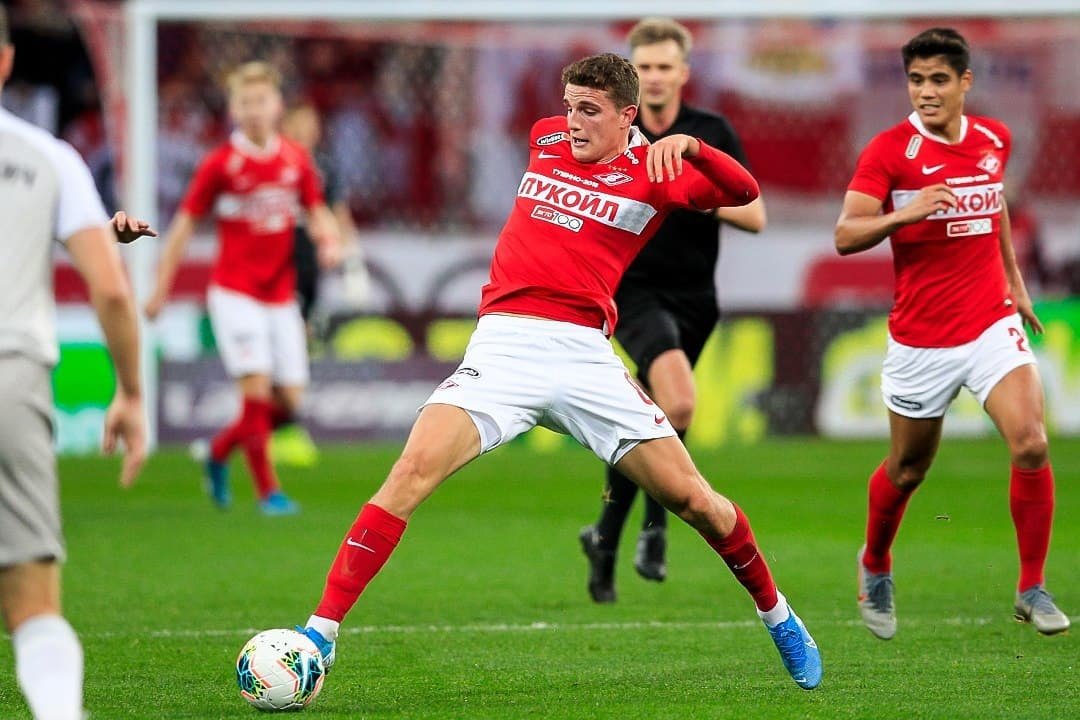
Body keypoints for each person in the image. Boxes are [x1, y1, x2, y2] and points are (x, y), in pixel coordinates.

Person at [293, 52, 822, 691]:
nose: (571, 121)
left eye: (589, 111)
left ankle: (778, 615)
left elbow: (744, 192)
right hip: (503, 346)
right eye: (569, 105)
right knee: (409, 473)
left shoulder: (657, 172)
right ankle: (319, 634)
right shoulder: (545, 137)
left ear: (628, 116)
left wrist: (692, 147)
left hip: (583, 355)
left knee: (695, 501)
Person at [834, 27, 1069, 639]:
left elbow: (995, 208)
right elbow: (845, 234)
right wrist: (906, 211)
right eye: (916, 80)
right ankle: (875, 561)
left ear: (965, 81)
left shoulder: (994, 139)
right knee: (908, 469)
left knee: (1031, 442)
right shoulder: (890, 152)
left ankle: (1032, 587)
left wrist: (1015, 283)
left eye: (938, 79)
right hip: (922, 339)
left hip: (991, 321)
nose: (926, 91)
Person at [579, 17, 767, 604]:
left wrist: (692, 191)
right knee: (680, 400)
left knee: (648, 417)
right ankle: (656, 530)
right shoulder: (615, 133)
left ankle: (604, 536)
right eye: (644, 67)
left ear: (684, 73)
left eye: (665, 66)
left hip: (696, 298)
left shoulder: (709, 133)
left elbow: (754, 213)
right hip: (632, 291)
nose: (655, 77)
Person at [0, 8, 156, 718]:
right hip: (12, 376)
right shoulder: (47, 156)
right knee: (33, 603)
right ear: (7, 63)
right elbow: (112, 291)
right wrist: (132, 393)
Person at [145, 62, 341, 516]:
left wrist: (329, 239)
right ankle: (268, 492)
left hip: (280, 294)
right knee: (255, 388)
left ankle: (218, 451)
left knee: (289, 400)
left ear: (277, 106)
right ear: (233, 110)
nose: (253, 110)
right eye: (245, 102)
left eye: (261, 101)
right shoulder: (220, 165)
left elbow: (317, 210)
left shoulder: (295, 159)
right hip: (235, 292)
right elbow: (183, 227)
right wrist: (160, 290)